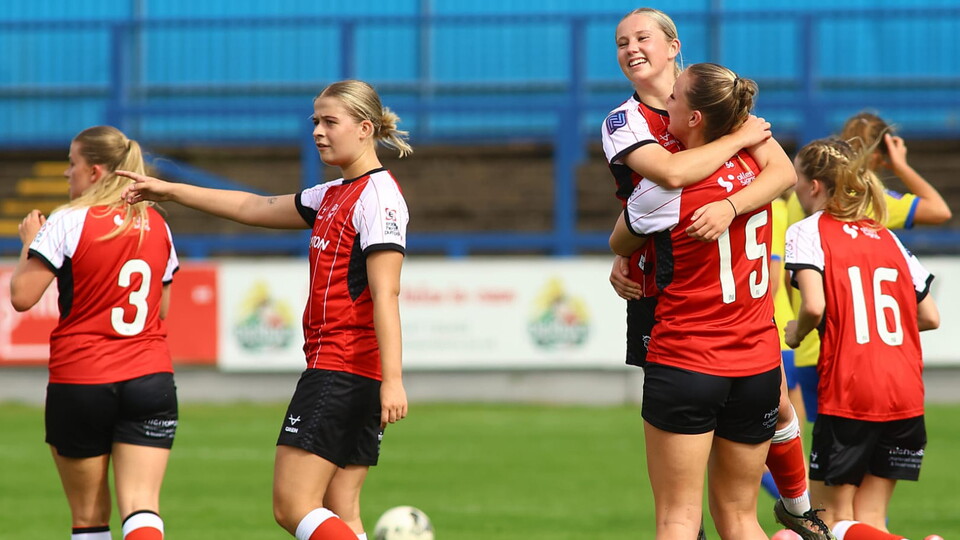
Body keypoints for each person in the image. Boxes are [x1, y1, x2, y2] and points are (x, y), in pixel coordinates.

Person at [118, 79, 410, 540]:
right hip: (352, 372)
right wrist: (170, 191)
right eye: (315, 120)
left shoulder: (378, 198)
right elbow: (252, 205)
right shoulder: (332, 194)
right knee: (341, 509)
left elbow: (386, 294)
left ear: (364, 128)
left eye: (330, 121)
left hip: (342, 369)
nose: (317, 130)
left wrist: (393, 380)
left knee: (292, 506)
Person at [603, 9, 826, 539]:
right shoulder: (628, 120)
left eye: (642, 38)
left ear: (674, 45)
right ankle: (796, 509)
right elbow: (676, 171)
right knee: (729, 481)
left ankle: (797, 505)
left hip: (692, 322)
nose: (631, 48)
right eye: (621, 42)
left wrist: (728, 207)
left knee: (682, 502)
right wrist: (734, 144)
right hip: (664, 286)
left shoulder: (713, 99)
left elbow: (781, 173)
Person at [9, 125, 180, 540]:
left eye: (72, 164)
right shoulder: (155, 224)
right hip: (150, 378)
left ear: (96, 171)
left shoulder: (68, 221)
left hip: (83, 378)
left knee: (89, 516)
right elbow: (161, 310)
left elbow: (22, 296)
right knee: (141, 507)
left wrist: (29, 244)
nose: (68, 173)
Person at [784, 137, 940, 540]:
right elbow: (929, 316)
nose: (795, 188)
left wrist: (796, 333)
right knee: (869, 522)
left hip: (852, 390)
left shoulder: (808, 230)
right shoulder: (888, 237)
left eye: (797, 179)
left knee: (827, 523)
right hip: (905, 392)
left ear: (814, 186)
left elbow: (814, 306)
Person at [787, 112, 953, 428]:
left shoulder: (806, 203)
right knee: (865, 466)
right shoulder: (872, 204)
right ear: (878, 156)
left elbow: (793, 282)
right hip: (875, 355)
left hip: (817, 344)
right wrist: (901, 166)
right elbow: (940, 210)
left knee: (828, 461)